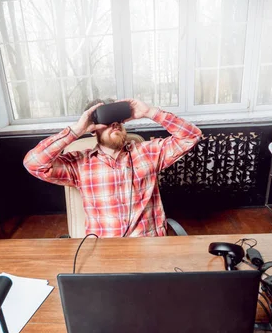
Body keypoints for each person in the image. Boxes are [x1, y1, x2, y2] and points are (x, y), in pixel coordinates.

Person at [23, 98, 202, 237]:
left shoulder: (148, 152)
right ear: (93, 129)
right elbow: (34, 164)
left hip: (149, 245)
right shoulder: (79, 164)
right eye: (107, 121)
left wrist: (150, 112)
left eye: (118, 121)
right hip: (106, 249)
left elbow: (191, 136)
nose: (114, 124)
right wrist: (77, 130)